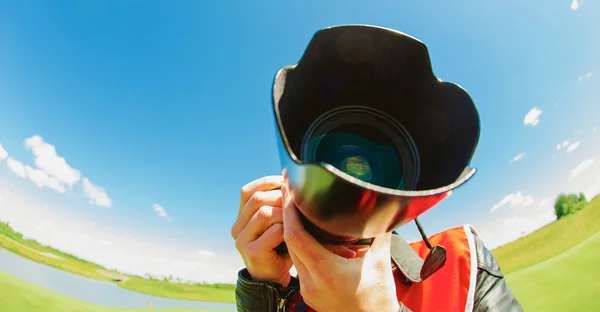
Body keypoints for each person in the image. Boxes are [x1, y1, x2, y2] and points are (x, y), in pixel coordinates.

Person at [231, 175, 524, 312]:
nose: (347, 182)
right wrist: (267, 293)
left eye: (367, 173)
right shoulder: (292, 296)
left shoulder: (462, 261)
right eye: (325, 166)